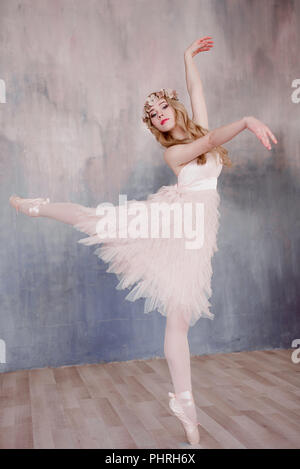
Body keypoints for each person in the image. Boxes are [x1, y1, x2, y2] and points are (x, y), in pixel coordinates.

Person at [9, 36, 277, 446]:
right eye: (152, 115)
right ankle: (37, 207)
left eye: (161, 108)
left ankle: (185, 403)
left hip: (194, 235)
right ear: (154, 126)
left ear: (173, 108)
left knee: (179, 319)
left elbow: (197, 92)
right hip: (169, 218)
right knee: (100, 220)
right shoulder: (175, 154)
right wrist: (246, 121)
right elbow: (209, 143)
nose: (158, 116)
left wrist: (187, 57)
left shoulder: (198, 126)